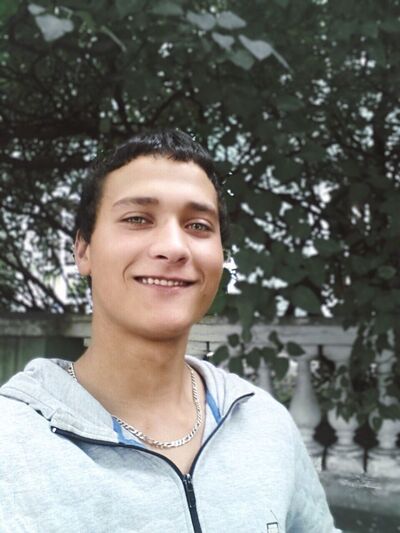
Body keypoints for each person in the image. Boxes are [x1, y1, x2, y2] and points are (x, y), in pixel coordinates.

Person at [0, 129, 341, 532]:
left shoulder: (265, 423)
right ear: (84, 250)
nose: (174, 247)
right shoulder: (13, 443)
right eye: (137, 219)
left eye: (198, 225)